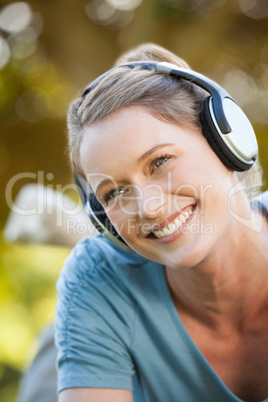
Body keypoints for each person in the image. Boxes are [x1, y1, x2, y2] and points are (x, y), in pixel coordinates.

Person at [55, 43, 268, 402]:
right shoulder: (96, 278)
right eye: (114, 193)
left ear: (226, 141)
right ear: (103, 219)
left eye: (159, 162)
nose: (149, 209)